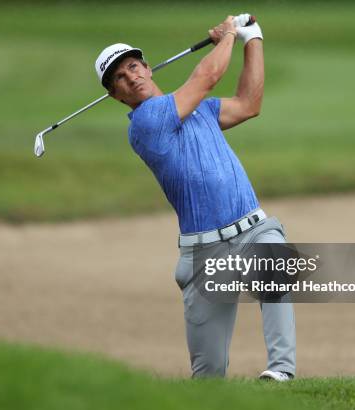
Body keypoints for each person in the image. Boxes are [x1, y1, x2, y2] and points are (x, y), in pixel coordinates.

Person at [94, 14, 296, 381]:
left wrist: (254, 40)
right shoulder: (145, 123)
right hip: (204, 255)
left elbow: (249, 104)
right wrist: (228, 36)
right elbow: (206, 77)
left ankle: (281, 372)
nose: (131, 77)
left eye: (134, 66)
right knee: (208, 376)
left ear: (147, 67)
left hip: (252, 229)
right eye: (119, 78)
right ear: (115, 95)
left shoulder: (199, 108)